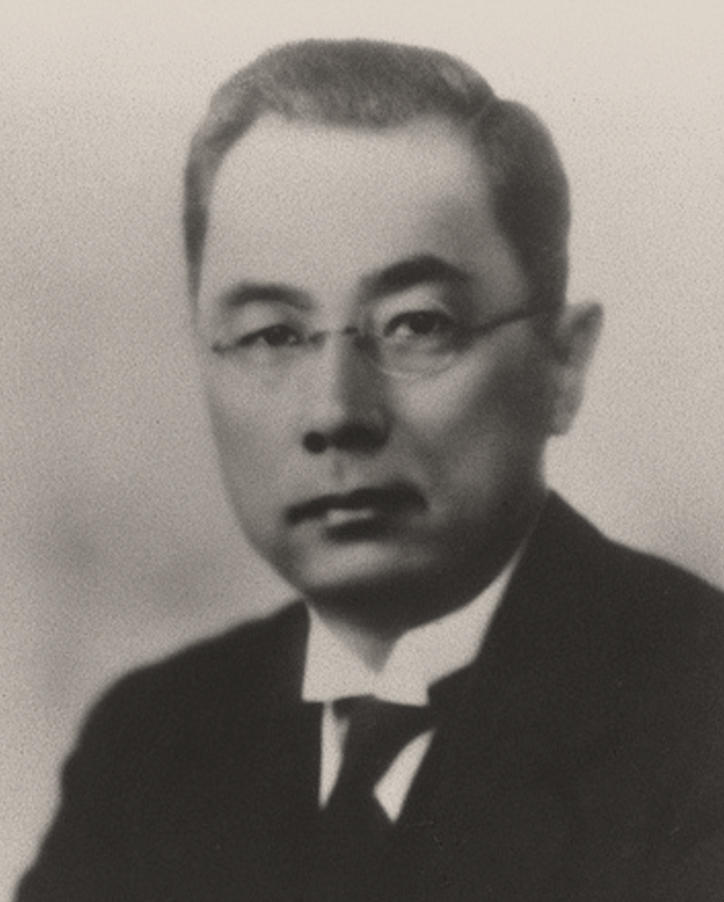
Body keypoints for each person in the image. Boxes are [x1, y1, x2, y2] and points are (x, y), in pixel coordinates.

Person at [17, 39, 724, 902]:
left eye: (417, 325)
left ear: (562, 365)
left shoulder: (701, 716)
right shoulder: (150, 745)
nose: (335, 412)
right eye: (272, 334)